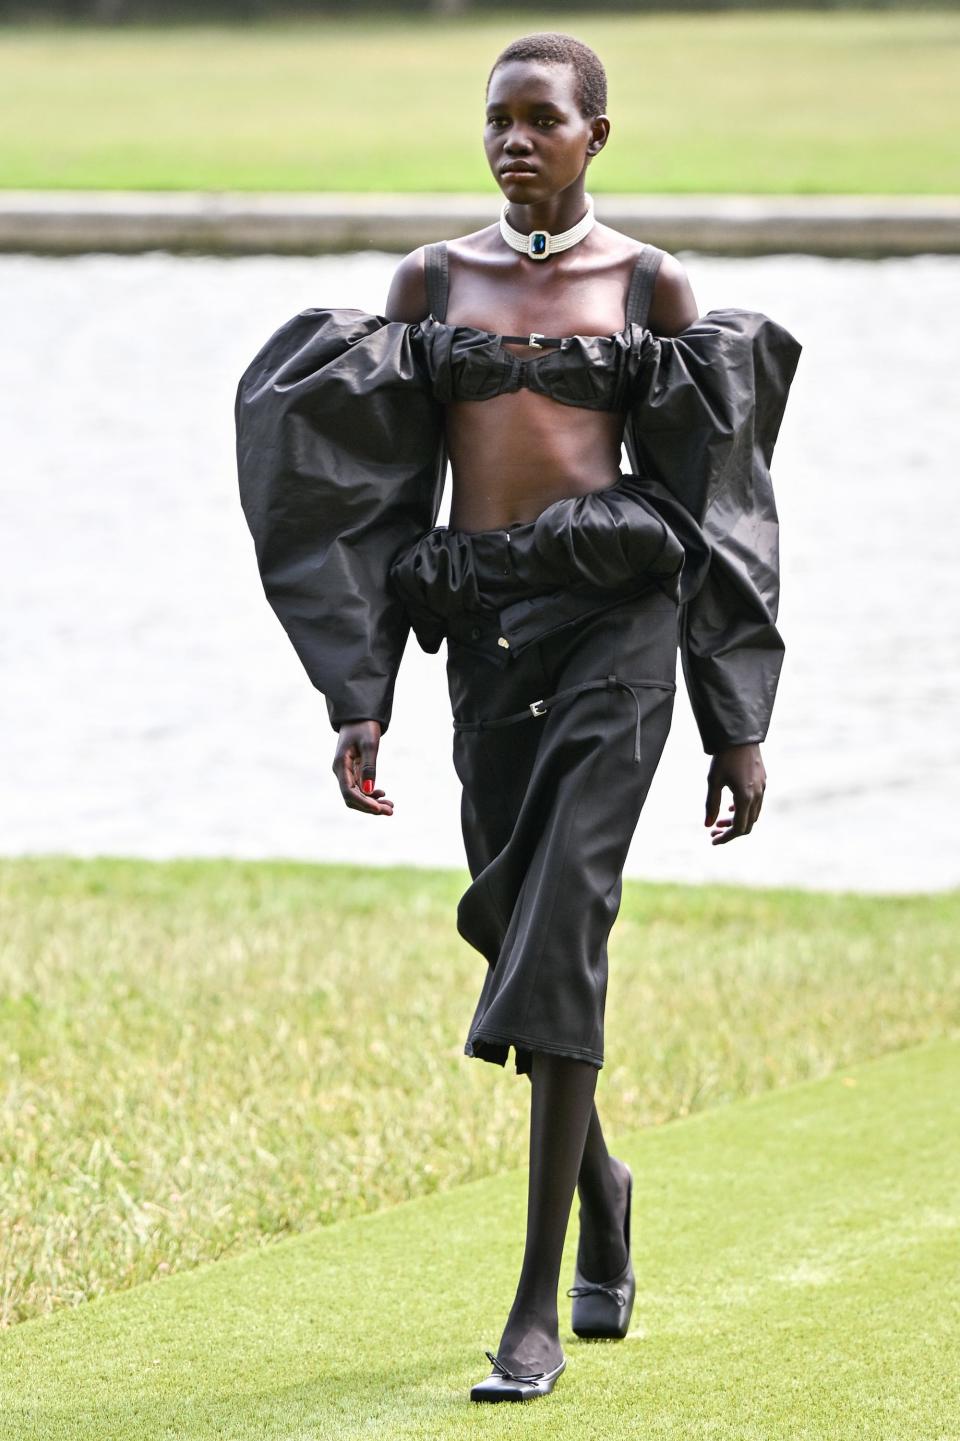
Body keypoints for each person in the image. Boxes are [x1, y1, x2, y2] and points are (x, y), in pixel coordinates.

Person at [235, 30, 800, 1406]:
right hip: (484, 645)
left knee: (562, 927)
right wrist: (358, 696)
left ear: (599, 135)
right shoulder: (429, 283)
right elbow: (366, 505)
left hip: (622, 633)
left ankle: (535, 1302)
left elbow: (722, 512)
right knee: (506, 918)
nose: (515, 140)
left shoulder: (652, 285)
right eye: (498, 119)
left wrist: (738, 716)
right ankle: (605, 1184)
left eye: (544, 119)